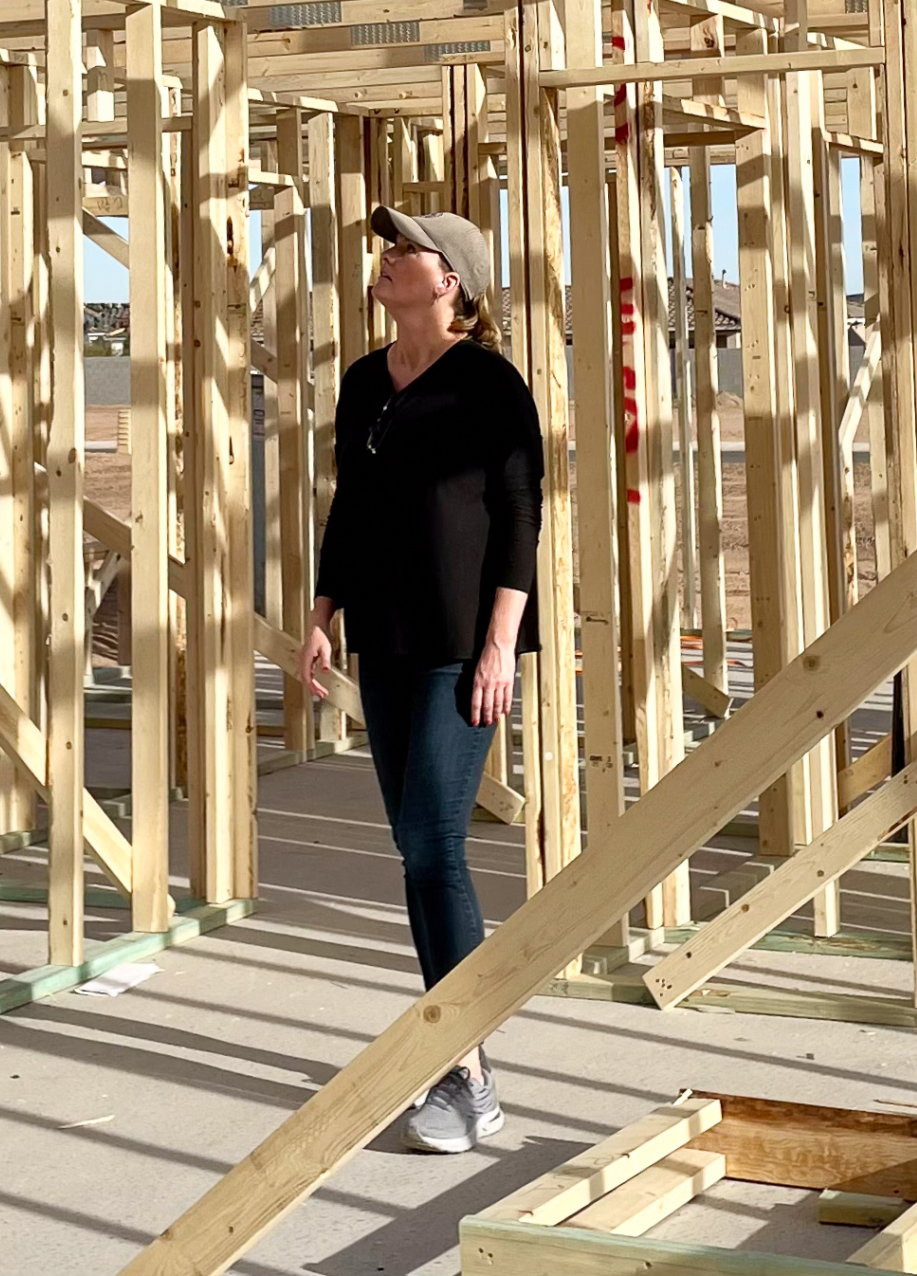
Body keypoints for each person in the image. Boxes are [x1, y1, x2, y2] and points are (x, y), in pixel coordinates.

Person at [303, 205, 543, 1155]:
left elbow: (520, 518)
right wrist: (322, 615)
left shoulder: (489, 383)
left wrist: (498, 648)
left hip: (458, 646)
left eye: (407, 250)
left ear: (452, 281)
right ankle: (458, 1046)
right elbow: (350, 508)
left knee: (437, 844)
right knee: (413, 847)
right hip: (386, 640)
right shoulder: (366, 382)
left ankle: (467, 1071)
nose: (387, 259)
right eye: (386, 247)